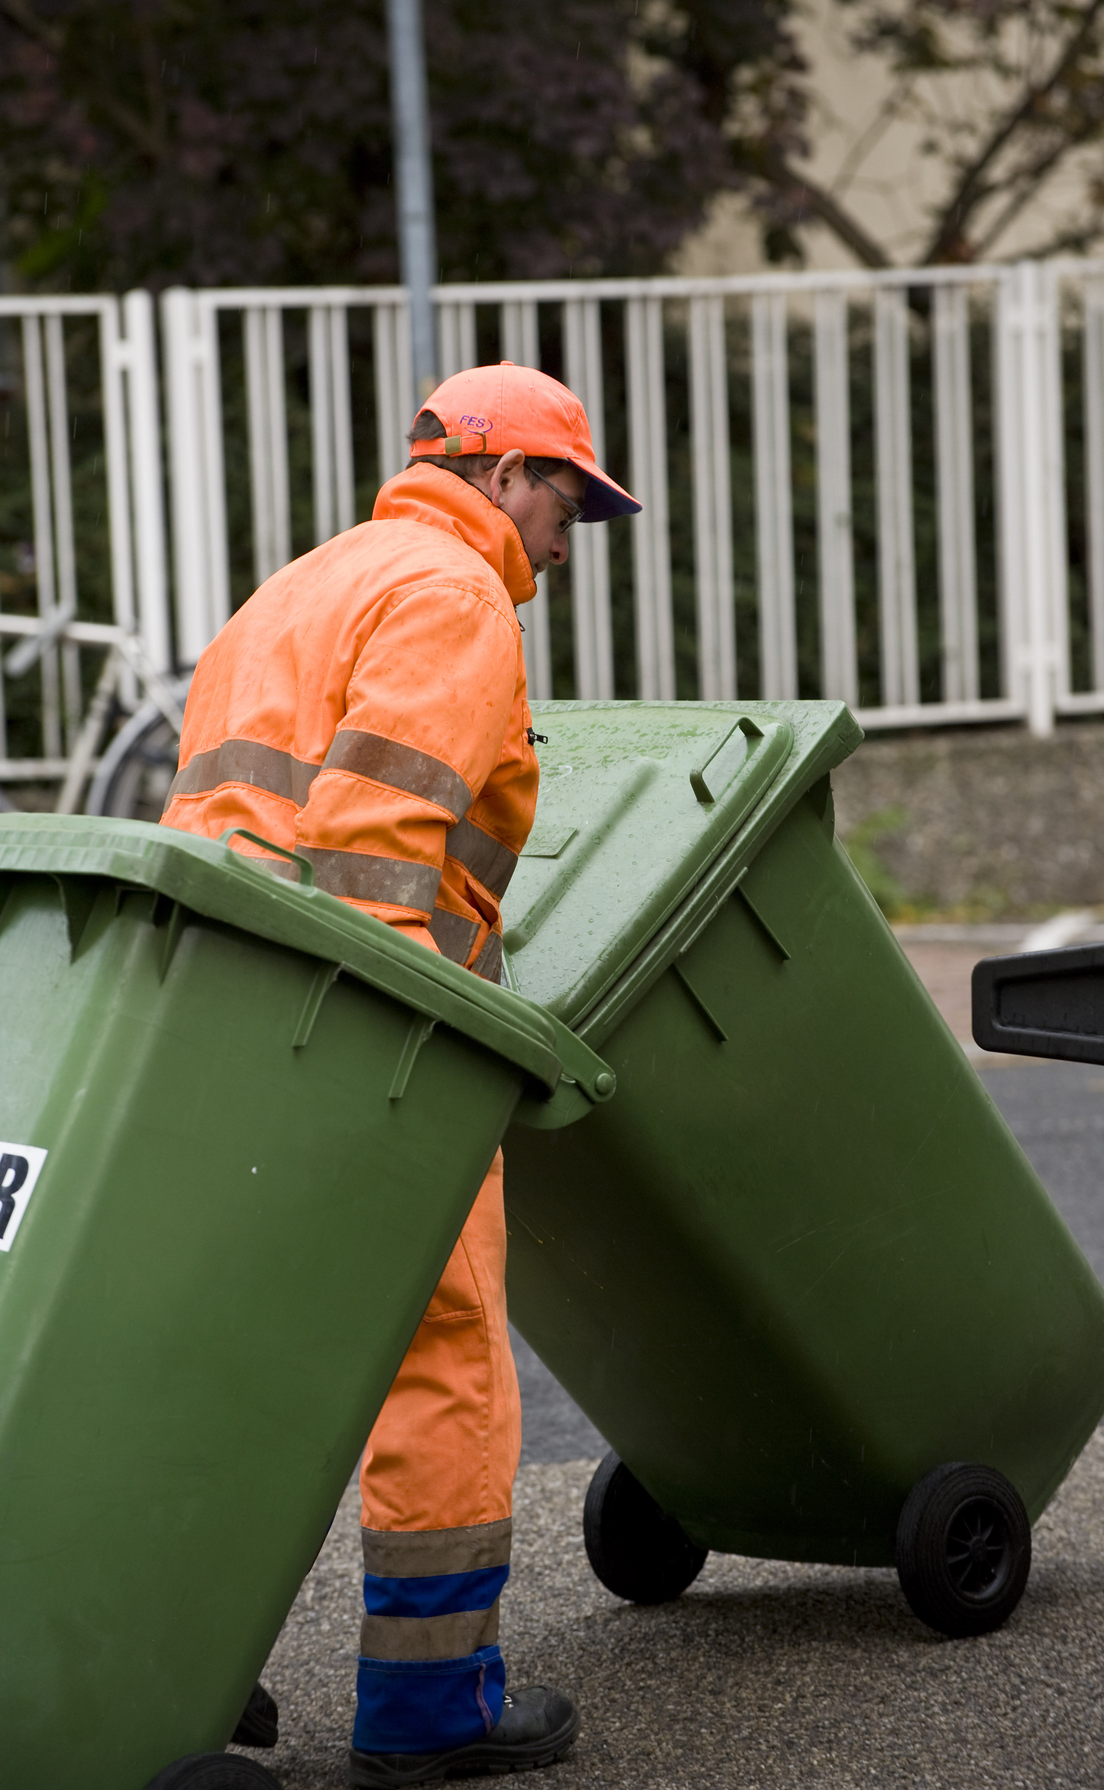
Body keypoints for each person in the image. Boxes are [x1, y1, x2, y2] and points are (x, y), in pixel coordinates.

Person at [160, 361, 640, 1787]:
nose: (570, 535)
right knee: (442, 1352)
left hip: (227, 1024)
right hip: (365, 1036)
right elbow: (378, 856)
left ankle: (183, 1655)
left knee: (253, 1355)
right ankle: (429, 1711)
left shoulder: (301, 587)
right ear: (500, 476)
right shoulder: (452, 596)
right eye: (565, 498)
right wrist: (411, 1054)